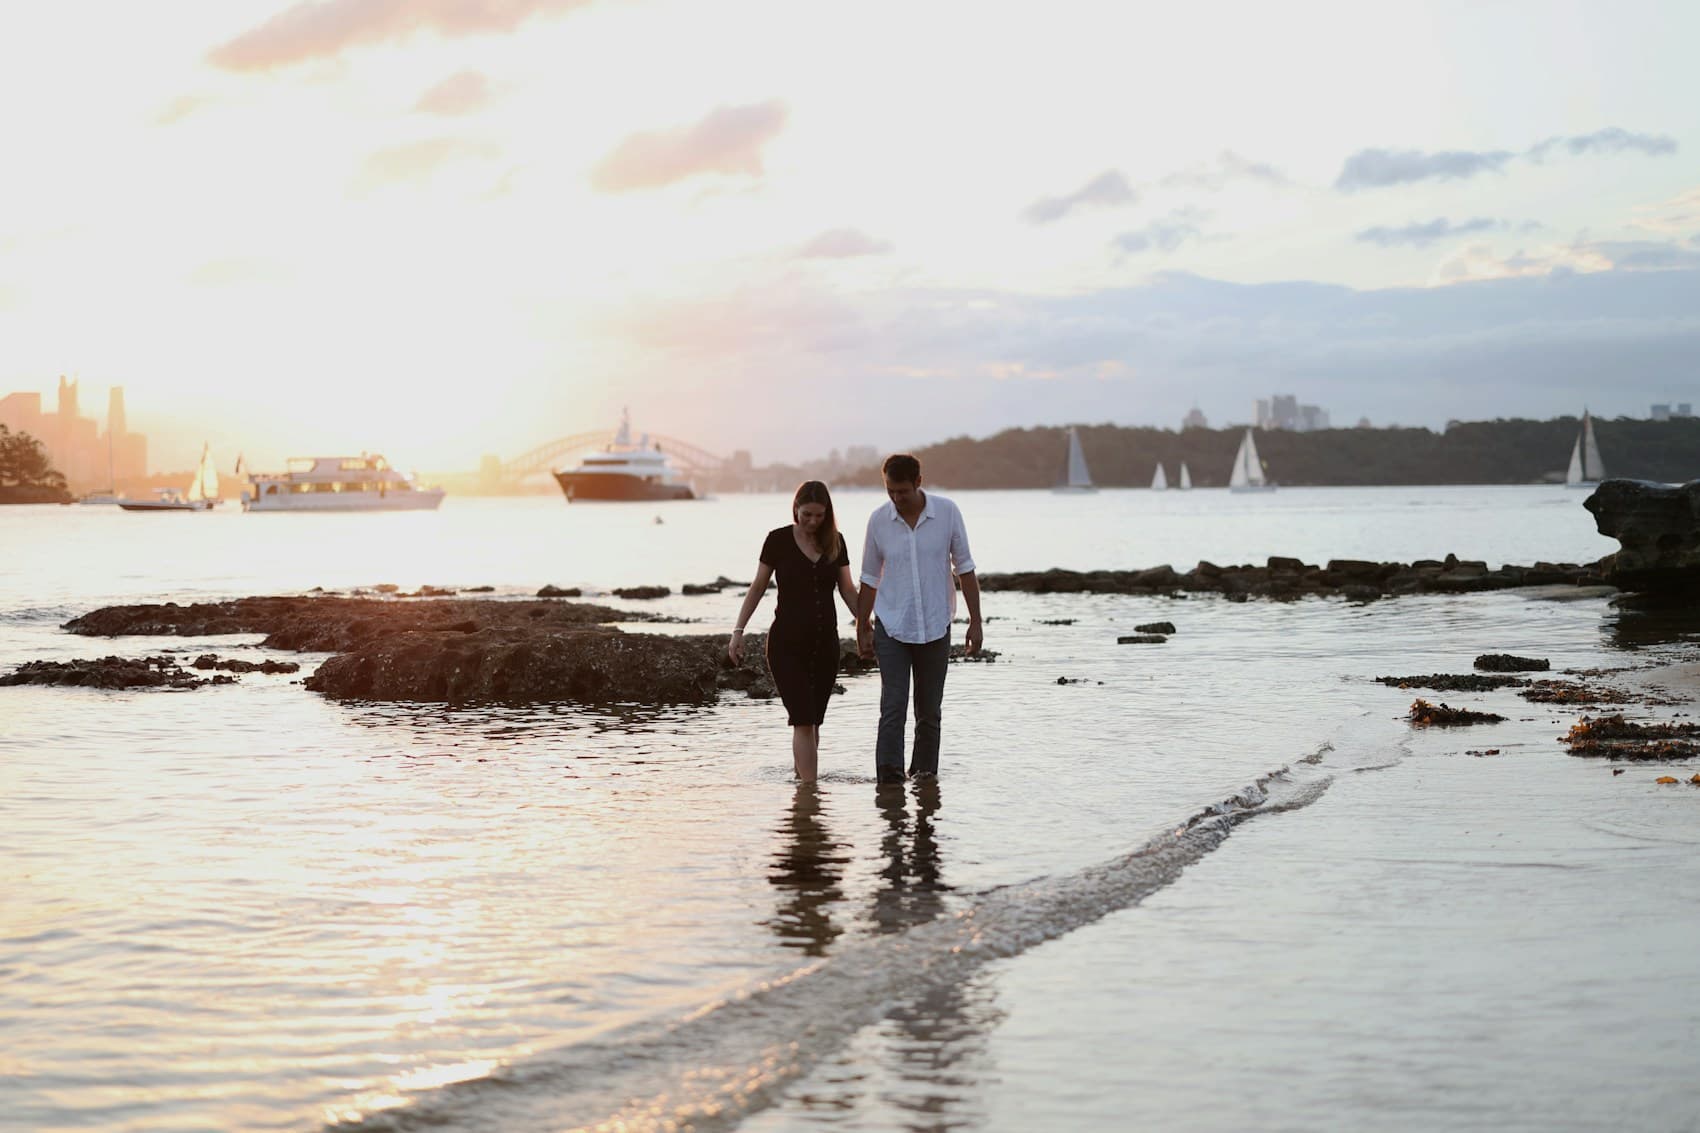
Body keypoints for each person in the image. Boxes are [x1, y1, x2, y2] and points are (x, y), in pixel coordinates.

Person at [855, 454, 981, 785]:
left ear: (918, 483)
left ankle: (925, 782)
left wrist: (976, 622)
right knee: (893, 708)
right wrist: (861, 627)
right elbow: (869, 577)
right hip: (892, 626)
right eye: (890, 491)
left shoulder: (948, 512)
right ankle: (889, 784)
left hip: (936, 625)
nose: (896, 498)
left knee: (929, 713)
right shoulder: (878, 521)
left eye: (902, 492)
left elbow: (965, 568)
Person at [729, 481, 860, 781]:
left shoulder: (835, 542)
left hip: (825, 646)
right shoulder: (777, 540)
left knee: (813, 722)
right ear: (796, 509)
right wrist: (738, 631)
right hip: (786, 646)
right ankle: (810, 795)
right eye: (807, 514)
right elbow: (758, 587)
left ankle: (804, 795)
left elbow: (849, 591)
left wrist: (868, 626)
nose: (813, 521)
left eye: (819, 516)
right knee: (802, 720)